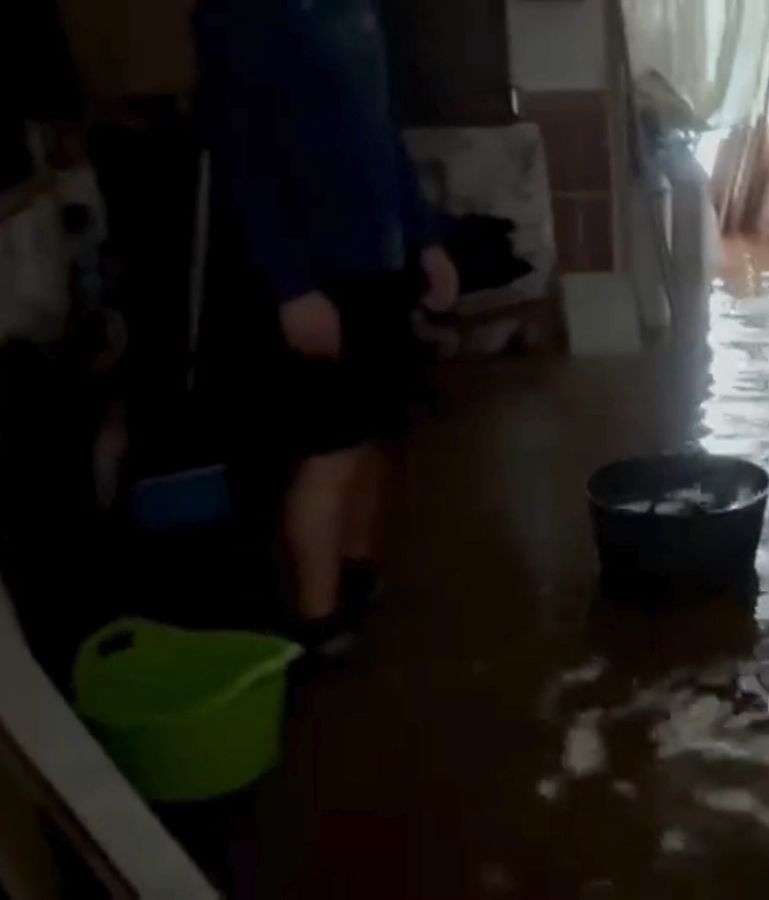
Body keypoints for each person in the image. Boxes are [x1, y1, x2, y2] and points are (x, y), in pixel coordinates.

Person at [196, 0, 458, 654]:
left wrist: (425, 241)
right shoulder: (244, 16)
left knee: (374, 436)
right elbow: (241, 160)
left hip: (380, 263)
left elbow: (382, 134)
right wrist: (292, 288)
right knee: (331, 449)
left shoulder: (358, 11)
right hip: (318, 276)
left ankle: (356, 578)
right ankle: (319, 621)